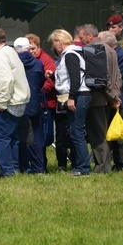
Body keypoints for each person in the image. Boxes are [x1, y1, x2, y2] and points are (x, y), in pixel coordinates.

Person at [0, 28, 29, 177]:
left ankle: (6, 172)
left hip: (7, 104)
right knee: (12, 137)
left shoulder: (0, 56)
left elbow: (6, 80)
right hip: (16, 101)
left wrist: (1, 103)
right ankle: (13, 168)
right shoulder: (10, 52)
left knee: (0, 138)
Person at [79, 24, 122, 174]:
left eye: (82, 37)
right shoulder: (111, 49)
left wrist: (112, 97)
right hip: (108, 98)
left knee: (97, 135)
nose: (81, 40)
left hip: (98, 98)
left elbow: (101, 79)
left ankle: (103, 167)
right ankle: (103, 165)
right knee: (102, 133)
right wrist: (115, 95)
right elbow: (117, 76)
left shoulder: (93, 50)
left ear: (90, 35)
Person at [49, 29, 90, 176]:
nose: (54, 46)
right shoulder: (72, 54)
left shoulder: (70, 55)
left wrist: (72, 97)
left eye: (54, 43)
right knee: (74, 132)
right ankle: (80, 166)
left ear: (60, 42)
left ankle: (83, 167)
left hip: (79, 95)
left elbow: (75, 78)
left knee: (76, 133)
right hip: (78, 95)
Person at [26, 33, 68, 171]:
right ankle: (38, 163)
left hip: (46, 104)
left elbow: (50, 82)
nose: (31, 51)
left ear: (39, 47)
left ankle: (48, 164)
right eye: (29, 49)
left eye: (33, 48)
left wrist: (35, 90)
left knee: (44, 135)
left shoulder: (45, 60)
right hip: (34, 102)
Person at [99, 31, 123, 171]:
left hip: (120, 100)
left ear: (107, 43)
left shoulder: (120, 54)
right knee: (114, 132)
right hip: (114, 99)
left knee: (121, 135)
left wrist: (116, 97)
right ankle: (118, 162)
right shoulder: (113, 53)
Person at [14, 37, 46, 174]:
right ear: (28, 48)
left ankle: (22, 165)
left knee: (19, 138)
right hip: (34, 104)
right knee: (36, 138)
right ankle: (39, 167)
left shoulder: (13, 64)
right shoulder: (38, 64)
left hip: (18, 104)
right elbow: (40, 82)